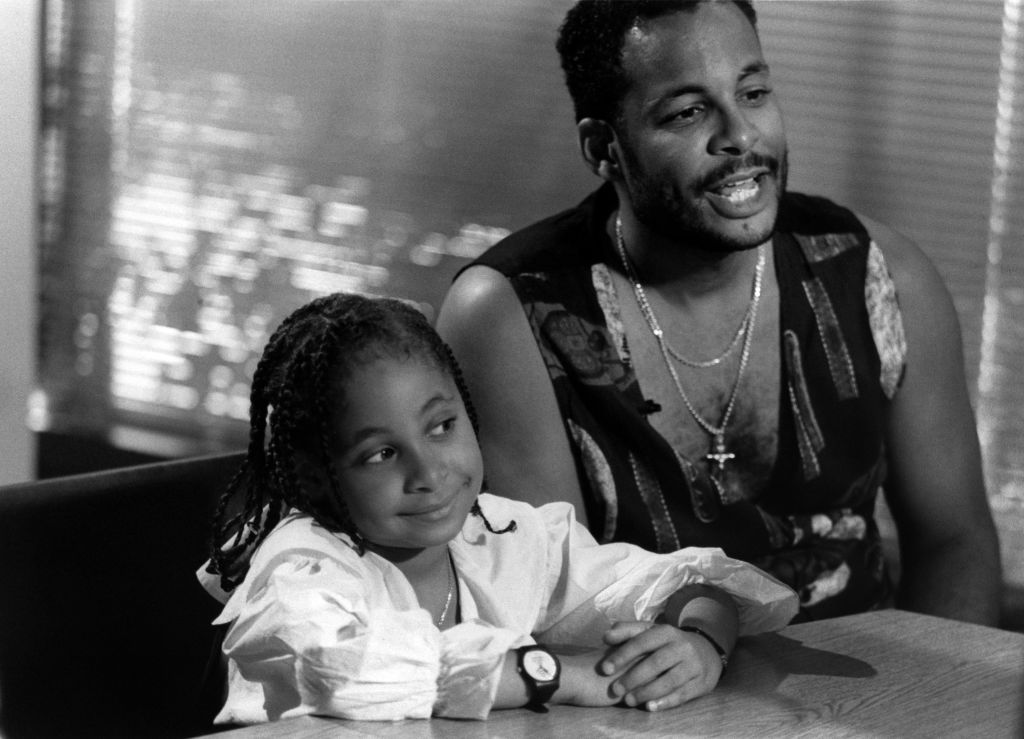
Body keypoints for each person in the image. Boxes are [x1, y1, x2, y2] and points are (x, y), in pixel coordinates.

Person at [436, 0, 1002, 625]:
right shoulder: (508, 315)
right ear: (604, 147)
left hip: (868, 696)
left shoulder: (880, 276)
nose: (740, 136)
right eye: (687, 112)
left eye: (753, 92)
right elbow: (554, 607)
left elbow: (956, 542)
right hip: (640, 706)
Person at [197, 293, 796, 725]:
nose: (430, 472)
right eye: (381, 453)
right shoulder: (300, 568)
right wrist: (551, 674)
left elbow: (680, 582)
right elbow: (341, 668)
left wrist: (697, 645)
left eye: (441, 426)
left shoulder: (502, 536)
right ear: (310, 475)